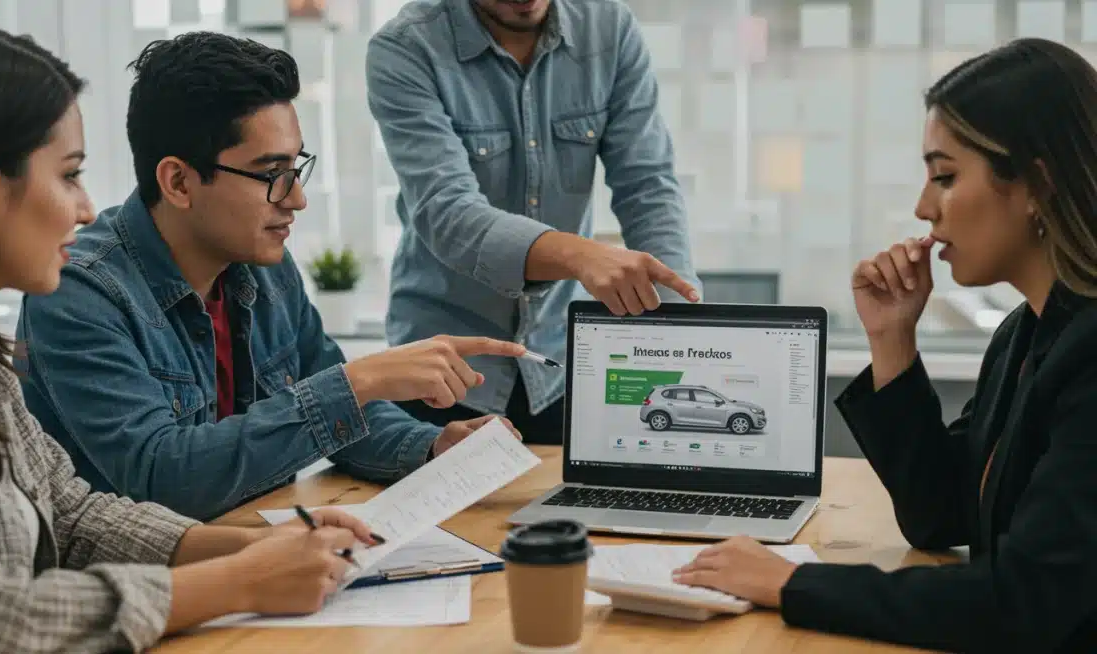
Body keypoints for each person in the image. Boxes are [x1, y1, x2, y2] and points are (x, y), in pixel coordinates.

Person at [0, 18, 389, 653]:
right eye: (69, 175)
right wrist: (241, 580)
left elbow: (72, 517)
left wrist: (263, 545)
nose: (84, 207)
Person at [669, 38, 1097, 652]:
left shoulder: (1087, 356)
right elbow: (940, 515)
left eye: (945, 177)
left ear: (1038, 183)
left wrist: (792, 583)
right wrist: (892, 337)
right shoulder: (1023, 333)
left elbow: (1025, 601)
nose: (923, 208)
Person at [14, 30, 525, 523]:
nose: (296, 198)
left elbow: (346, 416)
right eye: (270, 174)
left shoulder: (268, 270)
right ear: (179, 182)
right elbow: (163, 477)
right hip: (148, 573)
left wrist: (433, 445)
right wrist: (360, 380)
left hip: (253, 552)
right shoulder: (78, 292)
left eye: (296, 167)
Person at [366, 0, 701, 444]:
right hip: (445, 370)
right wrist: (579, 255)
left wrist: (682, 327)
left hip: (563, 366)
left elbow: (648, 187)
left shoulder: (609, 30)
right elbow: (447, 212)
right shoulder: (406, 46)